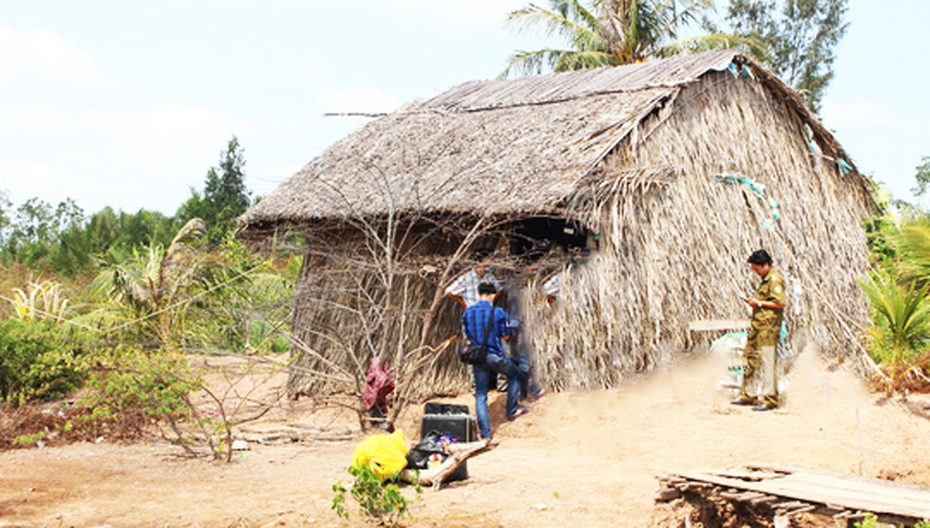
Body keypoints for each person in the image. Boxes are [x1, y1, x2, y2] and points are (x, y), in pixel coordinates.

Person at [462, 282, 528, 439]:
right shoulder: (497, 312)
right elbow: (505, 336)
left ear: (479, 294)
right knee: (516, 375)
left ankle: (486, 435)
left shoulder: (467, 313)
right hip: (495, 356)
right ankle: (512, 411)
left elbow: (469, 337)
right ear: (492, 295)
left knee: (480, 395)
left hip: (478, 357)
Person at [732, 249, 787, 411]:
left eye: (757, 269)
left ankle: (770, 399)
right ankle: (747, 394)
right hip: (758, 326)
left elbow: (780, 303)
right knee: (750, 358)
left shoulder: (775, 280)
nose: (756, 273)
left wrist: (759, 304)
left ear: (766, 265)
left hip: (768, 328)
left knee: (768, 361)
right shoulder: (765, 280)